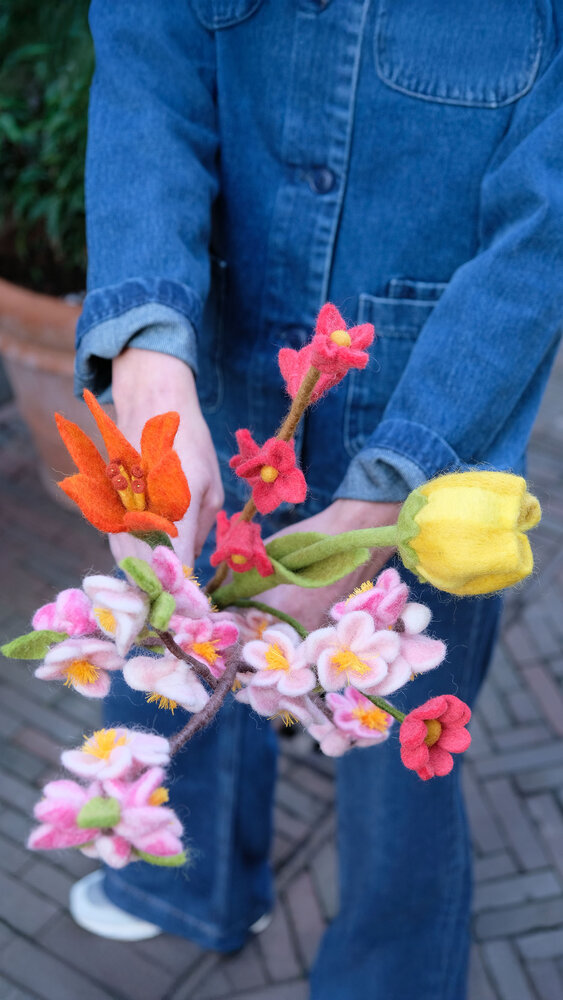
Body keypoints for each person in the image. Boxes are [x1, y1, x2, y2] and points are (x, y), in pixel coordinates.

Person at [70, 2, 563, 997]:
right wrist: (143, 338)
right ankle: (191, 878)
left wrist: (383, 504)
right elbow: (145, 69)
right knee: (185, 651)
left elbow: (545, 227)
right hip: (213, 388)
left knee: (402, 748)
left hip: (433, 429)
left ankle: (391, 972)